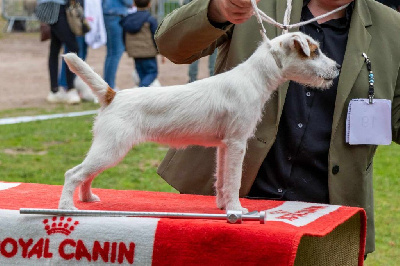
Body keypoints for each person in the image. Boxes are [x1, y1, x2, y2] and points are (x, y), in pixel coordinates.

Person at [154, 0, 400, 257]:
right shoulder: (257, 3)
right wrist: (216, 9)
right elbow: (170, 46)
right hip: (225, 211)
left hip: (324, 219)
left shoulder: (392, 27)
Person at [35, 0, 80, 104]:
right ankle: (70, 88)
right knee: (72, 46)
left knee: (55, 48)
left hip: (58, 6)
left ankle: (54, 90)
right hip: (53, 7)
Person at [121, 0, 158, 87]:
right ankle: (140, 89)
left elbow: (123, 36)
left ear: (134, 4)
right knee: (152, 73)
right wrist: (159, 50)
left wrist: (126, 48)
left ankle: (143, 93)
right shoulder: (150, 19)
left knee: (141, 74)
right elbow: (156, 36)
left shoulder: (127, 19)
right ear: (149, 4)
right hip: (149, 53)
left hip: (135, 53)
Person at [102, 0, 133, 90]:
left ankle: (108, 85)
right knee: (115, 52)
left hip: (111, 13)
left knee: (112, 53)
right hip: (115, 14)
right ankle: (110, 86)